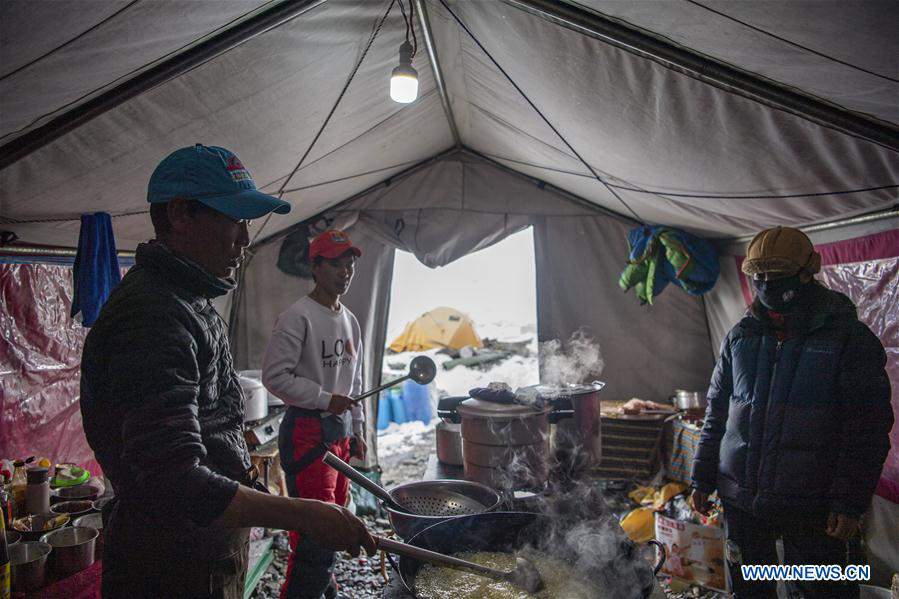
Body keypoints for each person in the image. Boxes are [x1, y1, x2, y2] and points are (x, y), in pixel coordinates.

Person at [80, 145, 375, 598]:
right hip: (171, 566)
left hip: (204, 551)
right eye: (234, 219)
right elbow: (174, 478)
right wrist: (301, 513)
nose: (244, 238)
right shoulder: (152, 317)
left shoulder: (190, 300)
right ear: (180, 214)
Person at [690, 226, 893, 598]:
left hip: (813, 506)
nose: (766, 285)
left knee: (821, 592)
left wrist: (849, 502)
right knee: (751, 591)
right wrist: (702, 477)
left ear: (806, 272)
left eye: (776, 275)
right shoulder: (741, 337)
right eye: (759, 276)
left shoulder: (848, 339)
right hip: (743, 500)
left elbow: (867, 429)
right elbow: (717, 412)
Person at [261, 229, 366, 599]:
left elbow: (356, 382)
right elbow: (274, 377)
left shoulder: (350, 320)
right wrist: (324, 399)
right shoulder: (298, 317)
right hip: (307, 434)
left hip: (338, 435)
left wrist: (358, 430)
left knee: (334, 520)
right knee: (317, 531)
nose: (345, 272)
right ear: (315, 266)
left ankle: (326, 589)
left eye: (349, 265)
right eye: (336, 264)